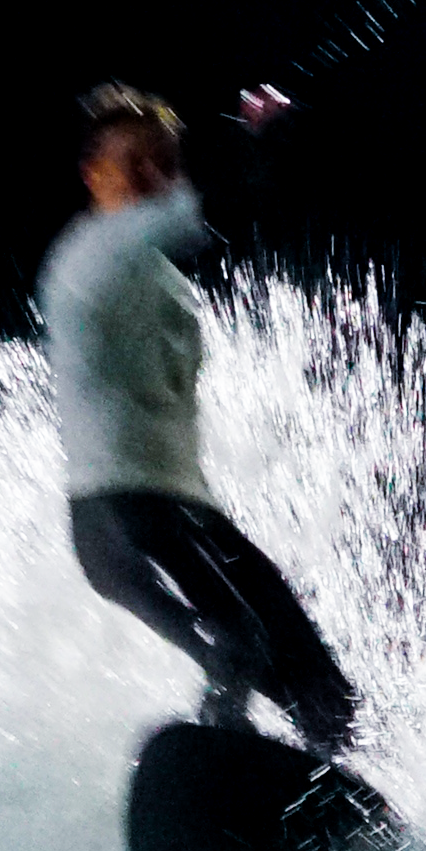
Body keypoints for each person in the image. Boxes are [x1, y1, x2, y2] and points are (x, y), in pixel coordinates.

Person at [38, 83, 358, 755]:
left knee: (319, 685)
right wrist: (255, 134)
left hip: (185, 515)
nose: (155, 176)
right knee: (237, 645)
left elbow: (231, 202)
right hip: (118, 520)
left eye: (166, 160)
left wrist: (257, 148)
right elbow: (219, 198)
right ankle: (216, 767)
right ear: (93, 172)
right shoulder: (91, 255)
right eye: (137, 162)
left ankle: (340, 792)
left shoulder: (157, 274)